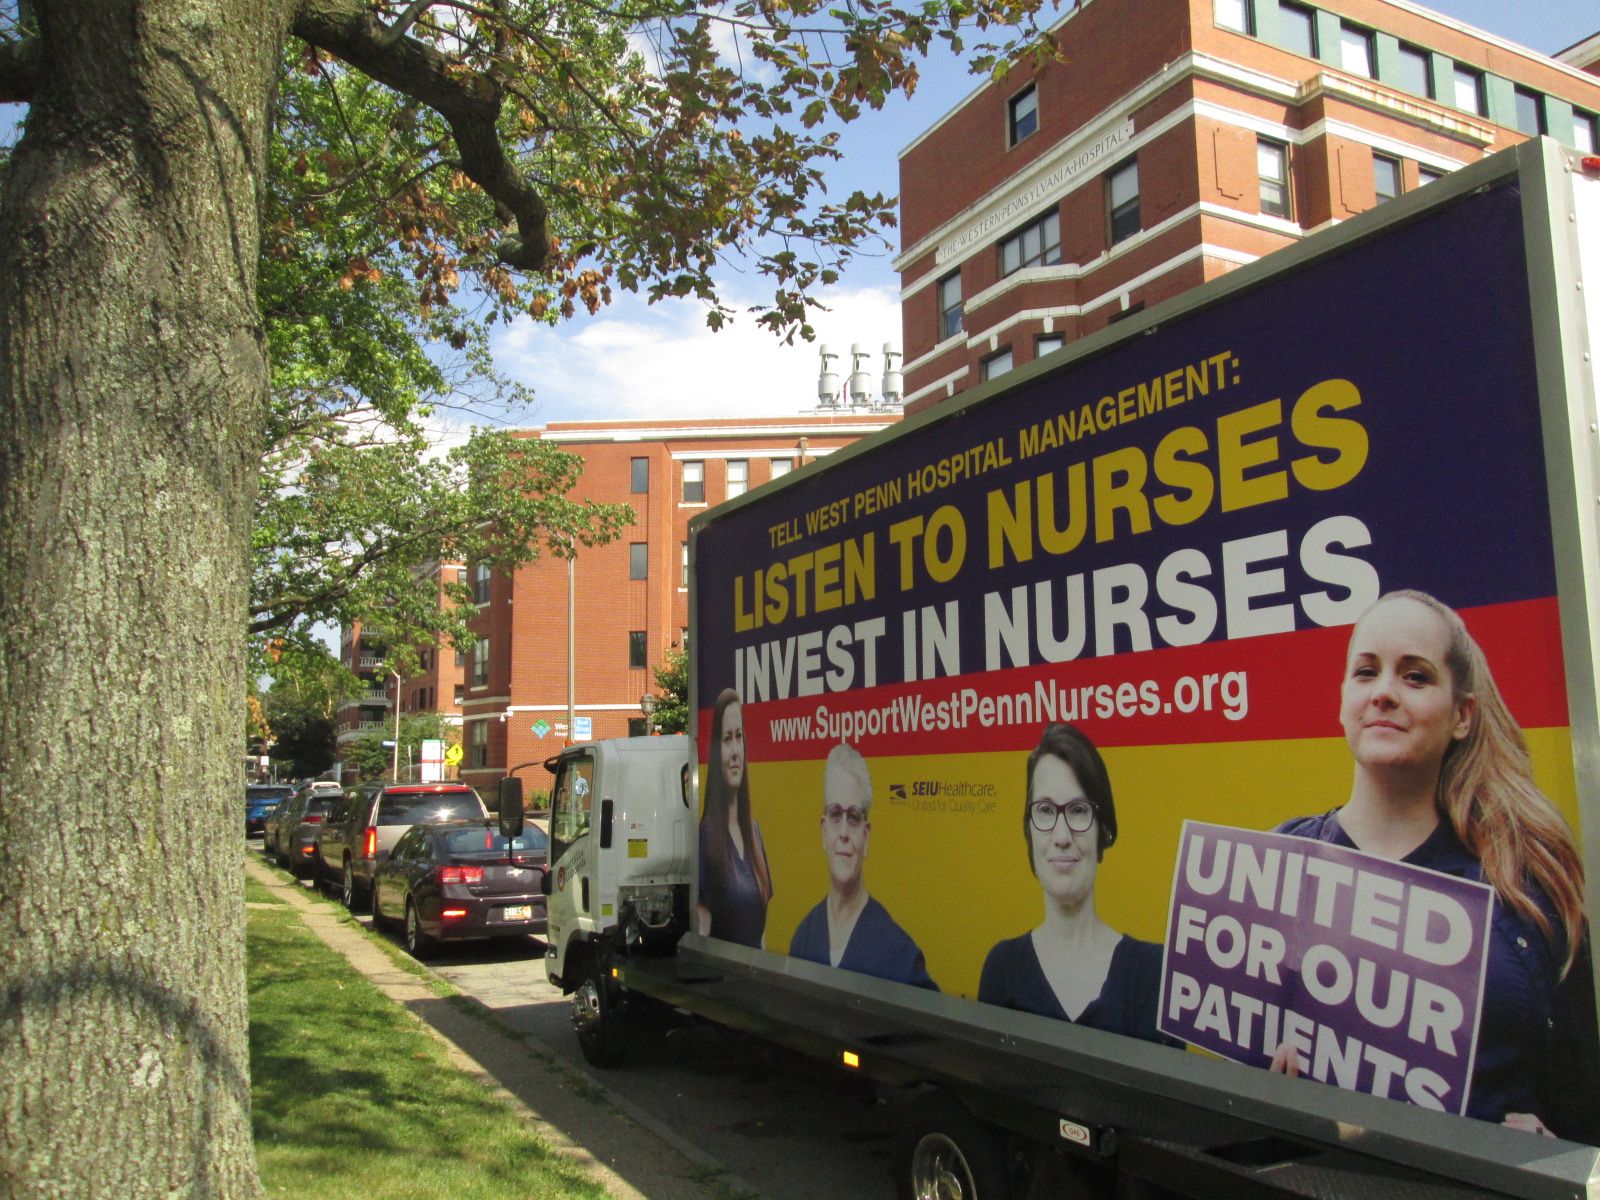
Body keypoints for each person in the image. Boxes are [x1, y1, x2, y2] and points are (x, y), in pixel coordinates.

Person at [1274, 589, 1599, 1142]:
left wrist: (1556, 1152)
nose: (1384, 694)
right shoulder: (1278, 859)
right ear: (1343, 699)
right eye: (1366, 672)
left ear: (1463, 716)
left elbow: (1583, 1107)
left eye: (1415, 677)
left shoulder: (1525, 892)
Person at [979, 724, 1175, 1044]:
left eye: (1079, 810)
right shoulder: (1003, 969)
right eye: (1045, 810)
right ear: (1029, 832)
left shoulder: (1153, 972)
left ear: (1103, 831)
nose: (1061, 837)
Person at [788, 743, 937, 989]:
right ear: (824, 831)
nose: (844, 832)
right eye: (836, 815)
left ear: (866, 837)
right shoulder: (804, 938)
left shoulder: (900, 956)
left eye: (854, 817)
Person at [696, 689, 772, 948]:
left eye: (738, 737)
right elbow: (703, 933)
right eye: (726, 739)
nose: (735, 751)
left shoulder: (754, 832)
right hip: (723, 981)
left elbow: (762, 937)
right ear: (715, 750)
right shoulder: (707, 838)